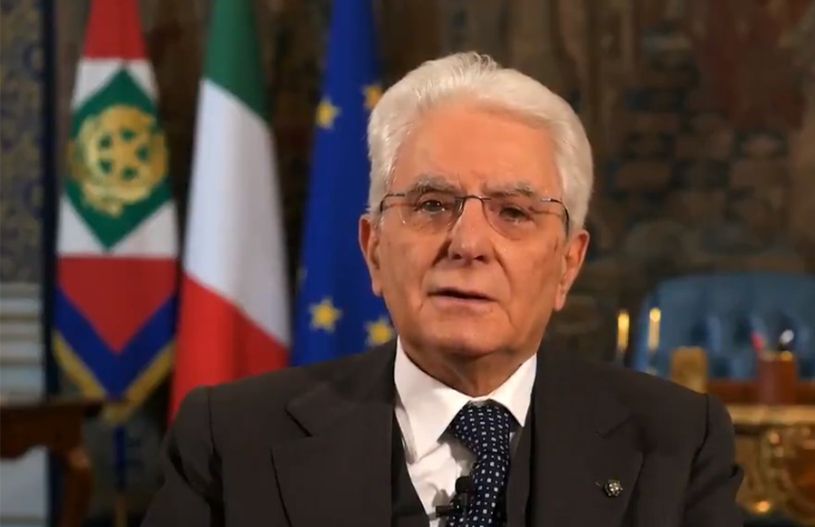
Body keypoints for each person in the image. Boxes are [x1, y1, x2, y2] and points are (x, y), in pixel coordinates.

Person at [143, 52, 742, 527]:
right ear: (374, 249)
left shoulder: (676, 443)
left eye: (514, 212)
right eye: (432, 204)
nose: (468, 243)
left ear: (568, 263)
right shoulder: (231, 442)